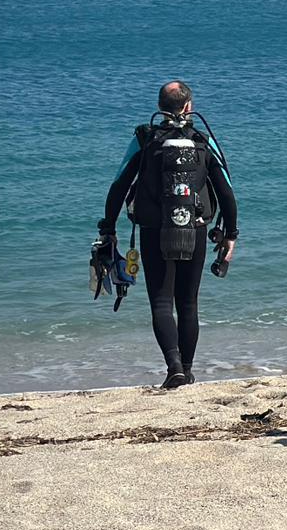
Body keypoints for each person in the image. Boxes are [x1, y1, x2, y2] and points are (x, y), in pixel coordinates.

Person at [100, 81, 238, 389]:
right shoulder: (202, 140)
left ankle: (174, 367)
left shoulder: (145, 139)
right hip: (196, 227)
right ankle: (187, 370)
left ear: (161, 108)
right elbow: (225, 190)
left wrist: (108, 229)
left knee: (161, 302)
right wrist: (231, 233)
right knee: (188, 303)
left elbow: (119, 185)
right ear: (189, 106)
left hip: (154, 229)